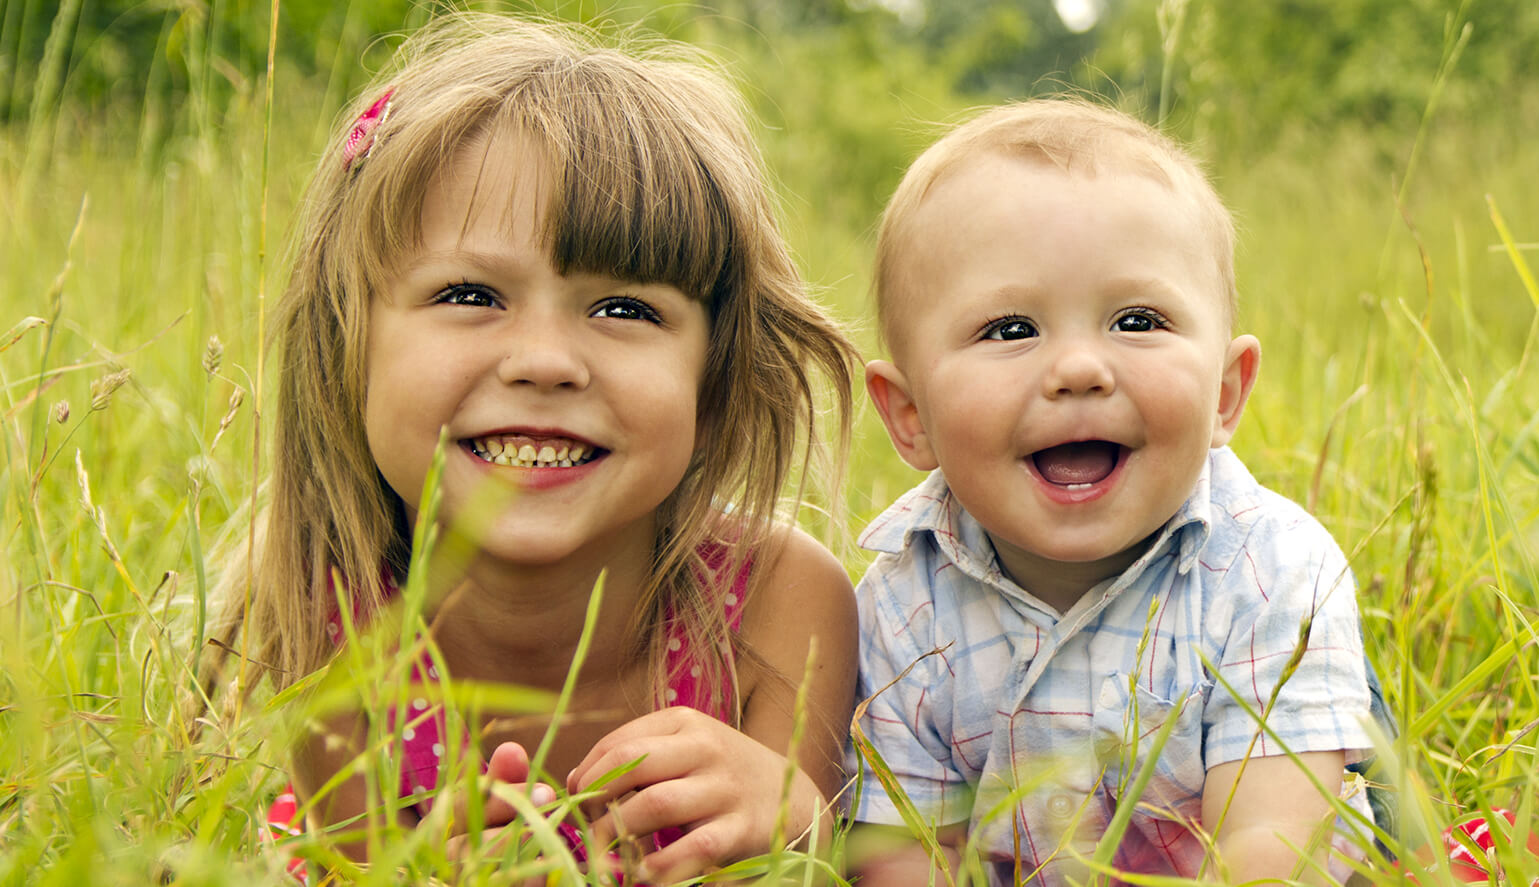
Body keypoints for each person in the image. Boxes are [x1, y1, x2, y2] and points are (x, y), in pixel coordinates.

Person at [196, 14, 858, 883]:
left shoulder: (779, 608)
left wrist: (801, 824)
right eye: (470, 293)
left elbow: (804, 869)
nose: (545, 362)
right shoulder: (324, 620)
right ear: (346, 346)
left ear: (717, 370)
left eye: (625, 308)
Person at [847, 98, 1393, 884]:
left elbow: (1273, 846)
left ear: (1227, 392)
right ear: (910, 417)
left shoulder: (1273, 571)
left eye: (1136, 320)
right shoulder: (902, 607)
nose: (1079, 368)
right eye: (1010, 329)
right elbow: (902, 852)